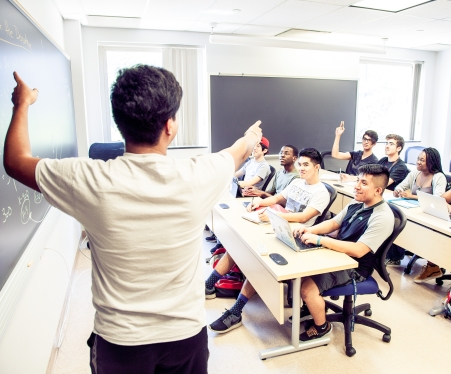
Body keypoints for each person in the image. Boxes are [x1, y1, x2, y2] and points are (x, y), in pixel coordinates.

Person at [4, 66, 264, 374]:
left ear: (120, 123)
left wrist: (22, 103)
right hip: (185, 337)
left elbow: (15, 161)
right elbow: (239, 150)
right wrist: (251, 136)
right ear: (170, 125)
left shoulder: (87, 179)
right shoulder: (198, 174)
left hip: (119, 342)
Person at [205, 148, 330, 333]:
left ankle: (235, 311)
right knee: (239, 247)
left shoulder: (321, 192)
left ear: (317, 167)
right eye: (300, 164)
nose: (301, 168)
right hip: (279, 229)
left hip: (297, 239)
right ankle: (208, 285)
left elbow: (304, 217)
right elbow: (278, 198)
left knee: (255, 261)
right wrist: (259, 202)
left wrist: (272, 215)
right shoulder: (298, 183)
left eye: (306, 165)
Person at [293, 164, 394, 341]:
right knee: (298, 265)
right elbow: (334, 223)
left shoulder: (382, 217)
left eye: (363, 183)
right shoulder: (358, 202)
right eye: (357, 180)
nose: (356, 186)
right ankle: (313, 308)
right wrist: (310, 230)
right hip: (338, 254)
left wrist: (320, 240)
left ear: (378, 190)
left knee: (307, 288)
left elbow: (359, 250)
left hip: (354, 267)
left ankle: (322, 327)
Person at [385, 147, 447, 266]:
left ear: (431, 162)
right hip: (413, 210)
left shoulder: (439, 177)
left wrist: (412, 196)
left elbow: (438, 198)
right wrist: (397, 191)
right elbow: (402, 185)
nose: (418, 162)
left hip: (428, 214)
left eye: (422, 160)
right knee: (394, 218)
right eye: (418, 159)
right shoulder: (415, 172)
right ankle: (394, 255)